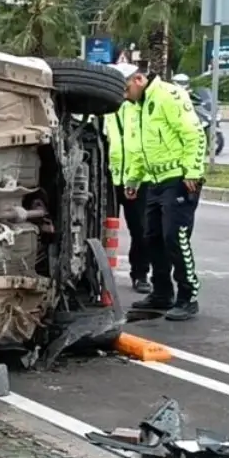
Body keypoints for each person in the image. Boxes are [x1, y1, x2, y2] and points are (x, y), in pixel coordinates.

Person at [121, 69, 207, 321]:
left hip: (179, 179)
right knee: (152, 237)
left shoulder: (169, 95)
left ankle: (188, 296)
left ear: (138, 80)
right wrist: (134, 178)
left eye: (126, 90)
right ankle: (162, 293)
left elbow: (194, 134)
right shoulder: (138, 105)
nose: (125, 97)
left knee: (175, 238)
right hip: (154, 180)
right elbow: (138, 147)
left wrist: (193, 171)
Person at [105, 64, 151, 293]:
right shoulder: (103, 109)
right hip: (109, 179)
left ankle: (140, 274)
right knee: (100, 229)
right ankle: (98, 274)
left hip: (137, 179)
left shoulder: (142, 108)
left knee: (141, 230)